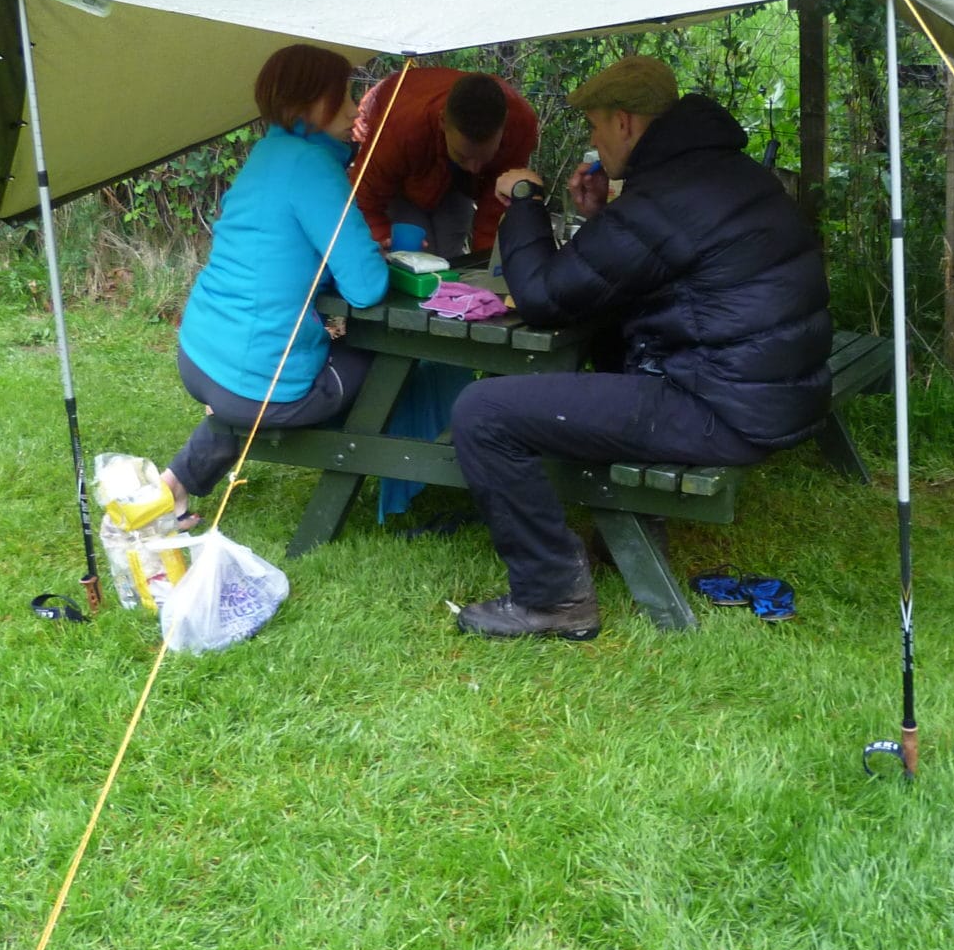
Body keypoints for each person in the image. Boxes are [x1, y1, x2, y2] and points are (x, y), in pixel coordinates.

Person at [450, 56, 833, 640]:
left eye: (596, 129)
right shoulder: (726, 173)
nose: (594, 144)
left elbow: (545, 295)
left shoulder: (667, 198)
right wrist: (604, 218)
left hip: (720, 411)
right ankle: (626, 529)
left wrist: (525, 203)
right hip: (774, 395)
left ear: (625, 123)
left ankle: (553, 599)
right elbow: (649, 270)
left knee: (482, 412)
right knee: (609, 337)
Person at [159, 44, 388, 523]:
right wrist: (370, 254)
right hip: (260, 384)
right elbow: (366, 288)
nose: (354, 110)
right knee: (386, 353)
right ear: (304, 104)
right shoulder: (313, 166)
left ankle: (173, 485)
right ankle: (399, 472)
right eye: (342, 97)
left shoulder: (269, 152)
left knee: (250, 381)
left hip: (200, 356)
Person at [348, 67, 539, 257]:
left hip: (455, 182)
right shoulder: (399, 129)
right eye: (463, 155)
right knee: (418, 253)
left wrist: (485, 264)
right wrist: (385, 237)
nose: (474, 168)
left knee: (450, 255)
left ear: (503, 125)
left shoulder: (520, 126)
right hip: (403, 175)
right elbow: (364, 199)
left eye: (485, 156)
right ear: (442, 121)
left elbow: (494, 209)